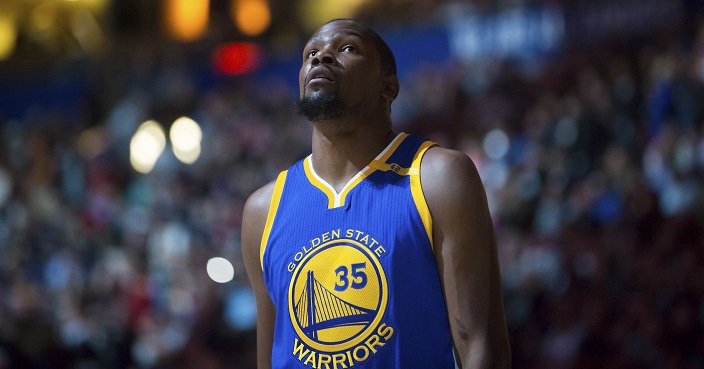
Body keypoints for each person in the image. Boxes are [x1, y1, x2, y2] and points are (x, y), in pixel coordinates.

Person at [241, 18, 511, 369]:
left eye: (347, 48)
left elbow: (479, 346)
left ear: (389, 87)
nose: (321, 57)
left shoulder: (438, 177)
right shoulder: (262, 210)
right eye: (311, 53)